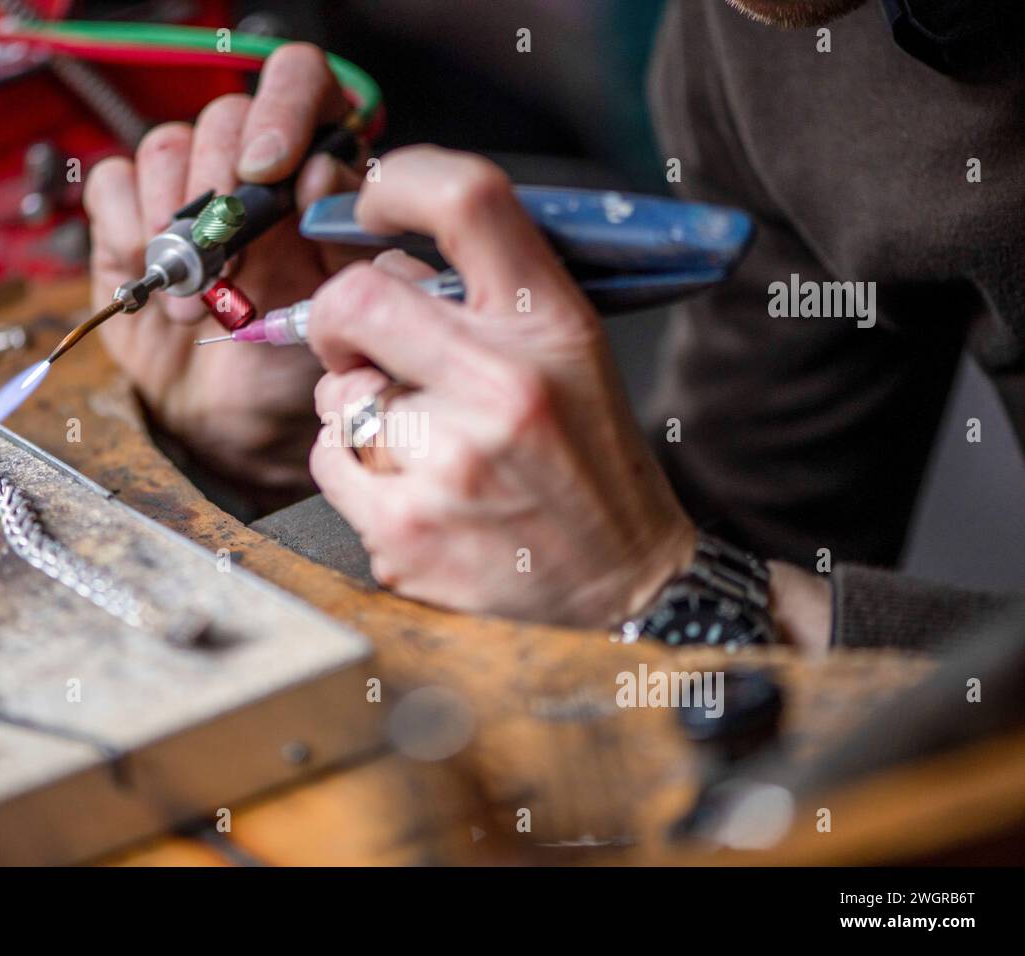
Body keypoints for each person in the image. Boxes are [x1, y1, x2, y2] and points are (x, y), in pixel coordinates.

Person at [83, 0, 1025, 655]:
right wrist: (318, 450)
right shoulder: (754, 41)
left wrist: (665, 593)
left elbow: (670, 571)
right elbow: (753, 519)